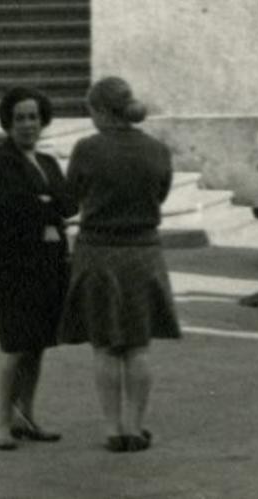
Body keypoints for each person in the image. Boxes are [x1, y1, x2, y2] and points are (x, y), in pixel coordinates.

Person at [58, 75, 181, 451]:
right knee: (138, 346)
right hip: (143, 253)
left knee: (106, 346)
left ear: (98, 111)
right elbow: (159, 196)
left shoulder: (87, 149)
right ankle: (134, 426)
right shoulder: (158, 150)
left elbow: (69, 202)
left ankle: (113, 429)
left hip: (97, 253)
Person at [0, 86, 74, 452]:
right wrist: (45, 206)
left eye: (33, 117)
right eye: (19, 118)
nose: (27, 125)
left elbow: (68, 203)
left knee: (38, 346)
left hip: (49, 265)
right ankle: (1, 424)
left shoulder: (47, 162)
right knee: (16, 345)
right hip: (12, 267)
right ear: (7, 122)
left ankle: (26, 417)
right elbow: (12, 211)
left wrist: (45, 204)